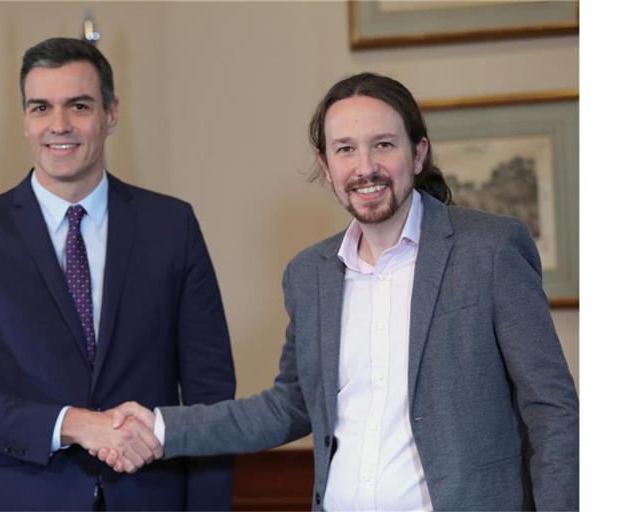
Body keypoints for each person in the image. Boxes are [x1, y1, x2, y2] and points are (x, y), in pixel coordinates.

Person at [103, 72, 579, 511]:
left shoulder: (489, 249)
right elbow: (289, 405)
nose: (365, 167)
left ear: (417, 153)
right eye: (345, 149)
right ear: (326, 165)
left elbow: (552, 407)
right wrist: (161, 426)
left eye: (384, 145)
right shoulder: (309, 275)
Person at [0, 37, 236, 511]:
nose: (59, 125)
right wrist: (75, 423)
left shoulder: (172, 227)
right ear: (25, 119)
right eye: (41, 107)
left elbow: (210, 395)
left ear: (111, 113)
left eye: (79, 105)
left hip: (150, 498)